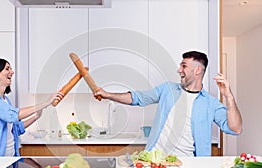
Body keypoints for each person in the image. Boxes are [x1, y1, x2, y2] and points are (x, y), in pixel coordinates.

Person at [94, 51, 242, 156]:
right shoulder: (167, 89)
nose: (179, 70)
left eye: (184, 66)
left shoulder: (211, 103)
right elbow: (137, 98)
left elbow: (235, 129)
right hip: (154, 159)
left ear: (197, 70)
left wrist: (229, 97)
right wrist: (107, 95)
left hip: (188, 165)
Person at [0, 58, 64, 156]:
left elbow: (16, 129)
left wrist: (36, 117)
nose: (12, 72)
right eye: (7, 69)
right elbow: (12, 115)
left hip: (9, 157)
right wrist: (45, 103)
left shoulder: (5, 100)